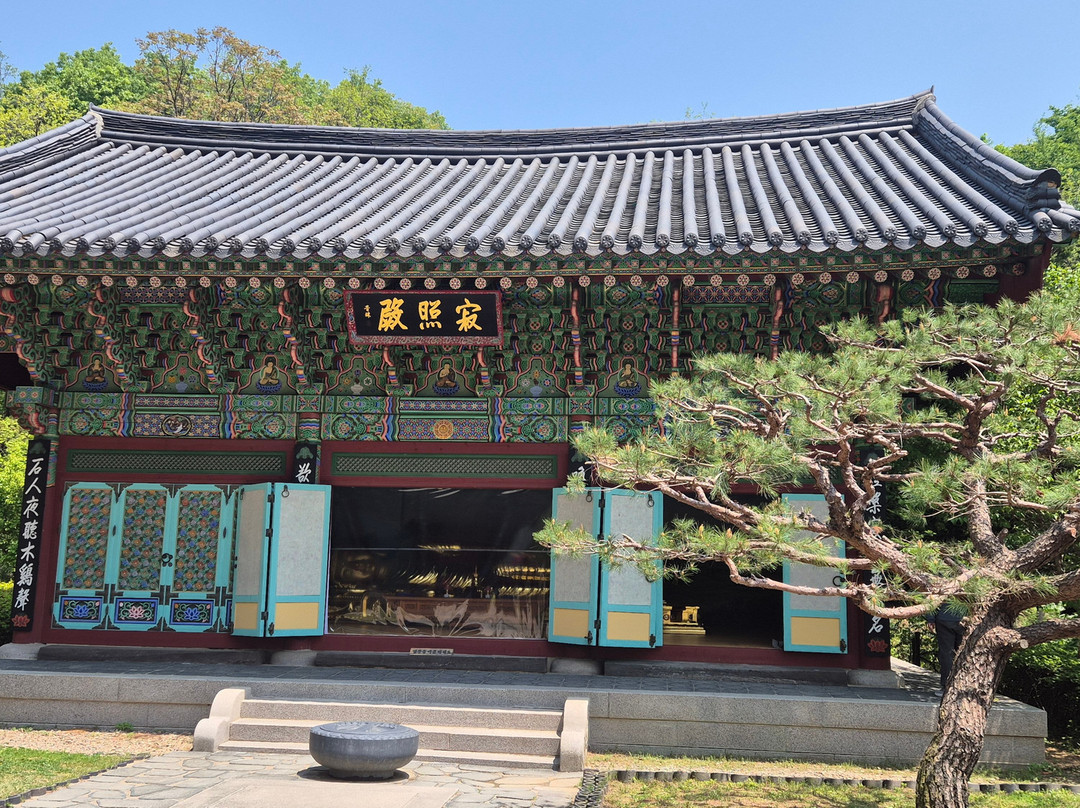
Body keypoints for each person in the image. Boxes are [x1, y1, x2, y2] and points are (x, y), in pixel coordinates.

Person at [927, 603, 966, 690]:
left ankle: (947, 684)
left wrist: (930, 619)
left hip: (944, 618)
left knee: (947, 653)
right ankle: (962, 683)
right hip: (964, 618)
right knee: (964, 653)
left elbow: (931, 599)